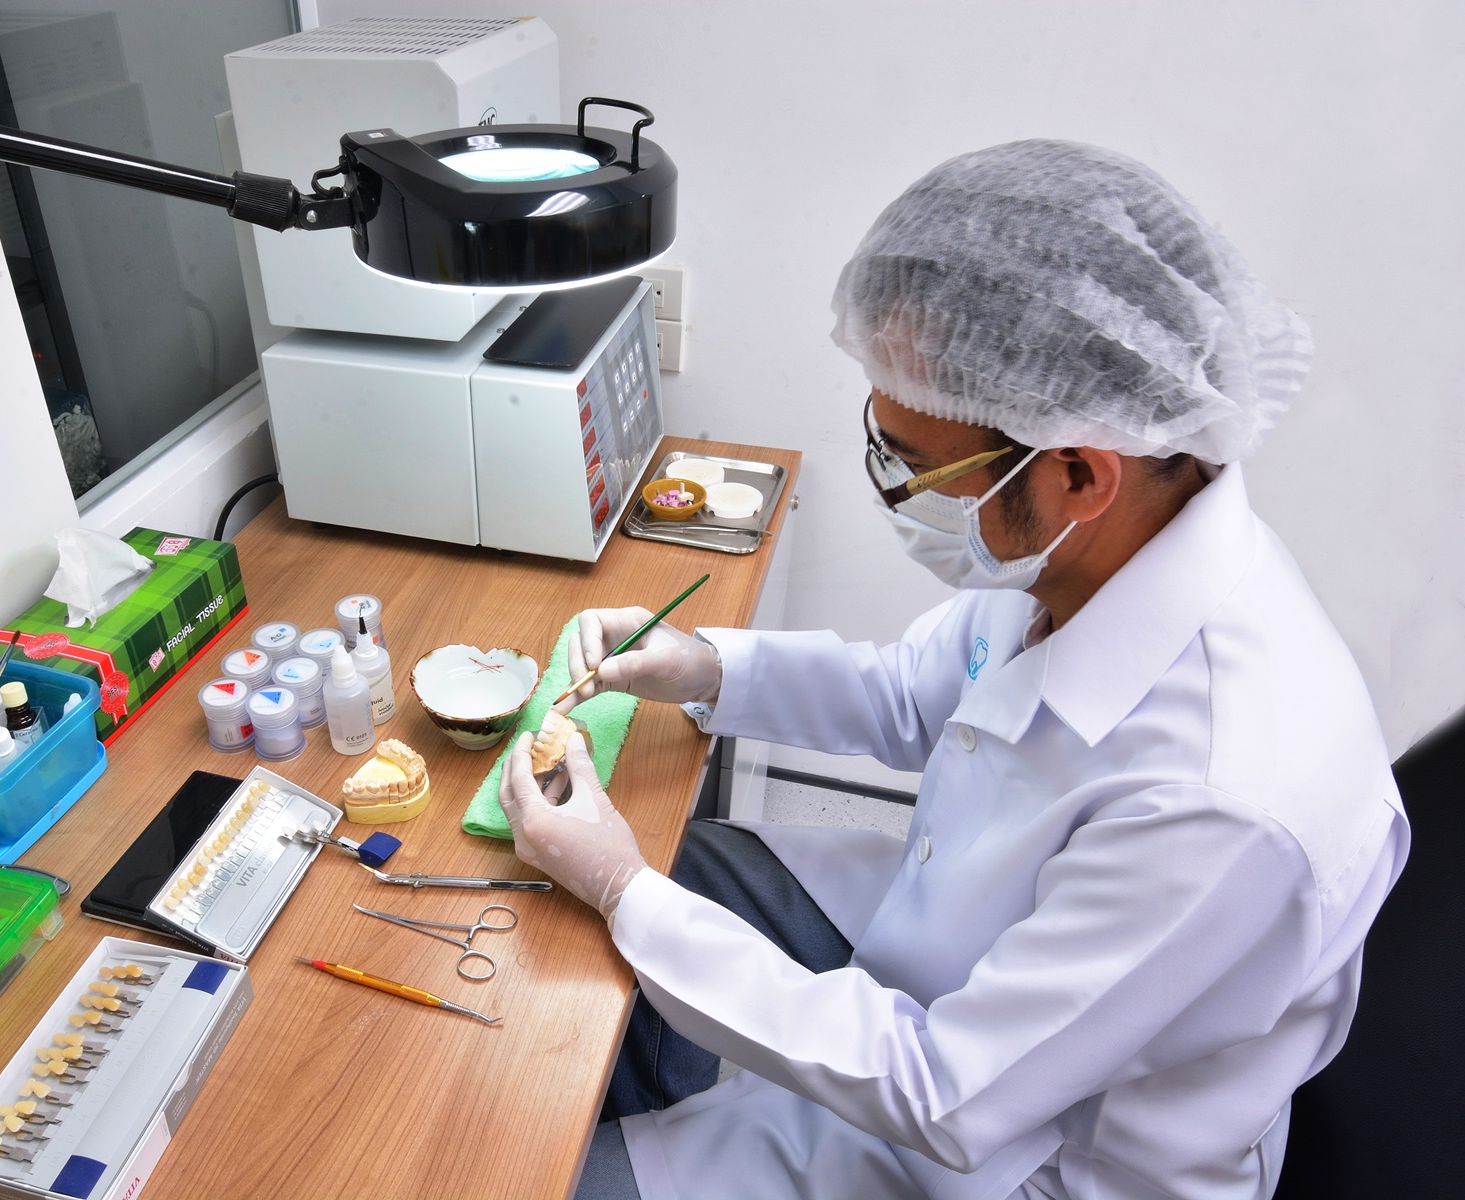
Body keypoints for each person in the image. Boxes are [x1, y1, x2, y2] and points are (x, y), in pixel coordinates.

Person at [498, 140, 1409, 1200]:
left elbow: (944, 1095)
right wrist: (703, 666)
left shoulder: (1224, 802)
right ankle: (647, 1081)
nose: (895, 487)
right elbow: (911, 691)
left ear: (1077, 472)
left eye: (916, 466)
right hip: (956, 955)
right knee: (684, 866)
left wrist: (624, 890)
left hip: (1019, 1155)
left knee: (538, 1168)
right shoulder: (1094, 551)